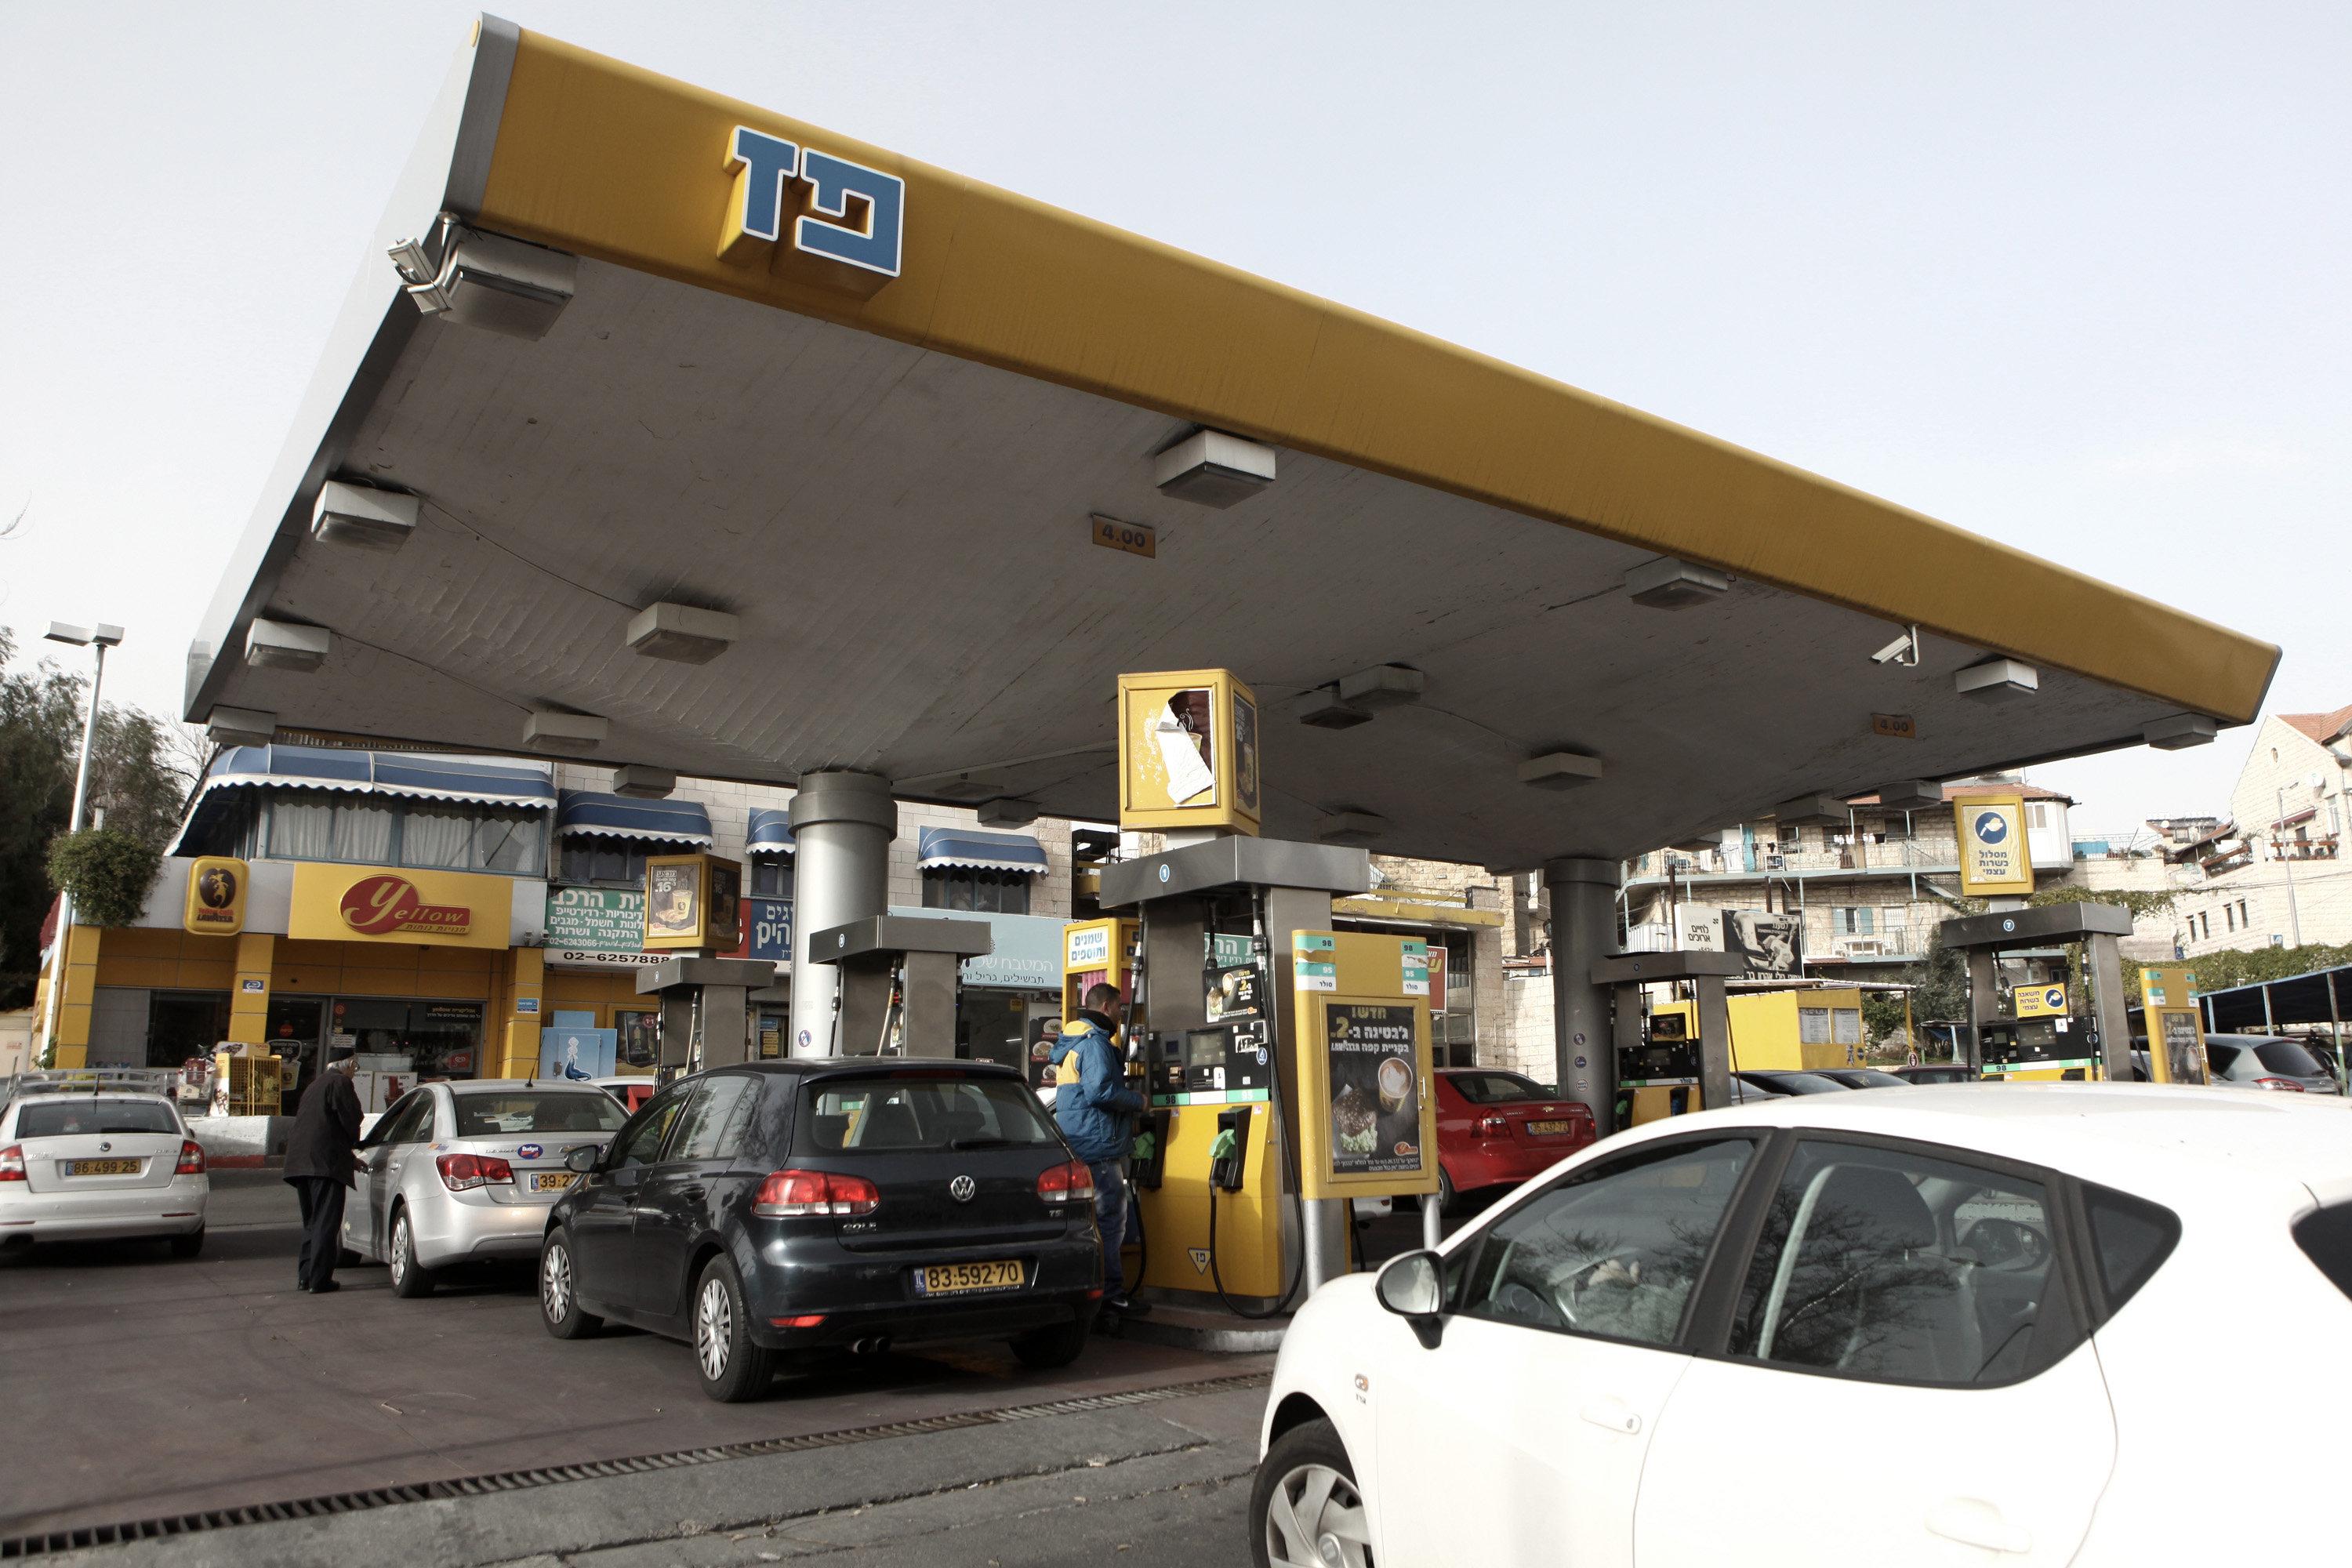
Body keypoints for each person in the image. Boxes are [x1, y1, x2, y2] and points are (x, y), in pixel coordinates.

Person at [1050, 983, 1149, 1319]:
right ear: (1106, 1007)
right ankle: (1112, 1296)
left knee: (1088, 1225)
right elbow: (1100, 1092)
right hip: (1100, 1147)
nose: (1122, 1014)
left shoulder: (1072, 1042)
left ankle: (1092, 1293)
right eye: (1119, 1007)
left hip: (1079, 1145)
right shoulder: (1094, 1044)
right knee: (1110, 1223)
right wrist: (1138, 1101)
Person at [281, 1043, 363, 1294]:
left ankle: (306, 1276)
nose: (356, 1071)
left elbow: (322, 1127)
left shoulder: (315, 1085)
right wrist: (354, 1144)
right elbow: (350, 1119)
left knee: (312, 1222)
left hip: (301, 1163)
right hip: (325, 1165)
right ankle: (320, 1280)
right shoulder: (341, 1083)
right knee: (326, 1223)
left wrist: (349, 1157)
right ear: (349, 1064)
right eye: (356, 1066)